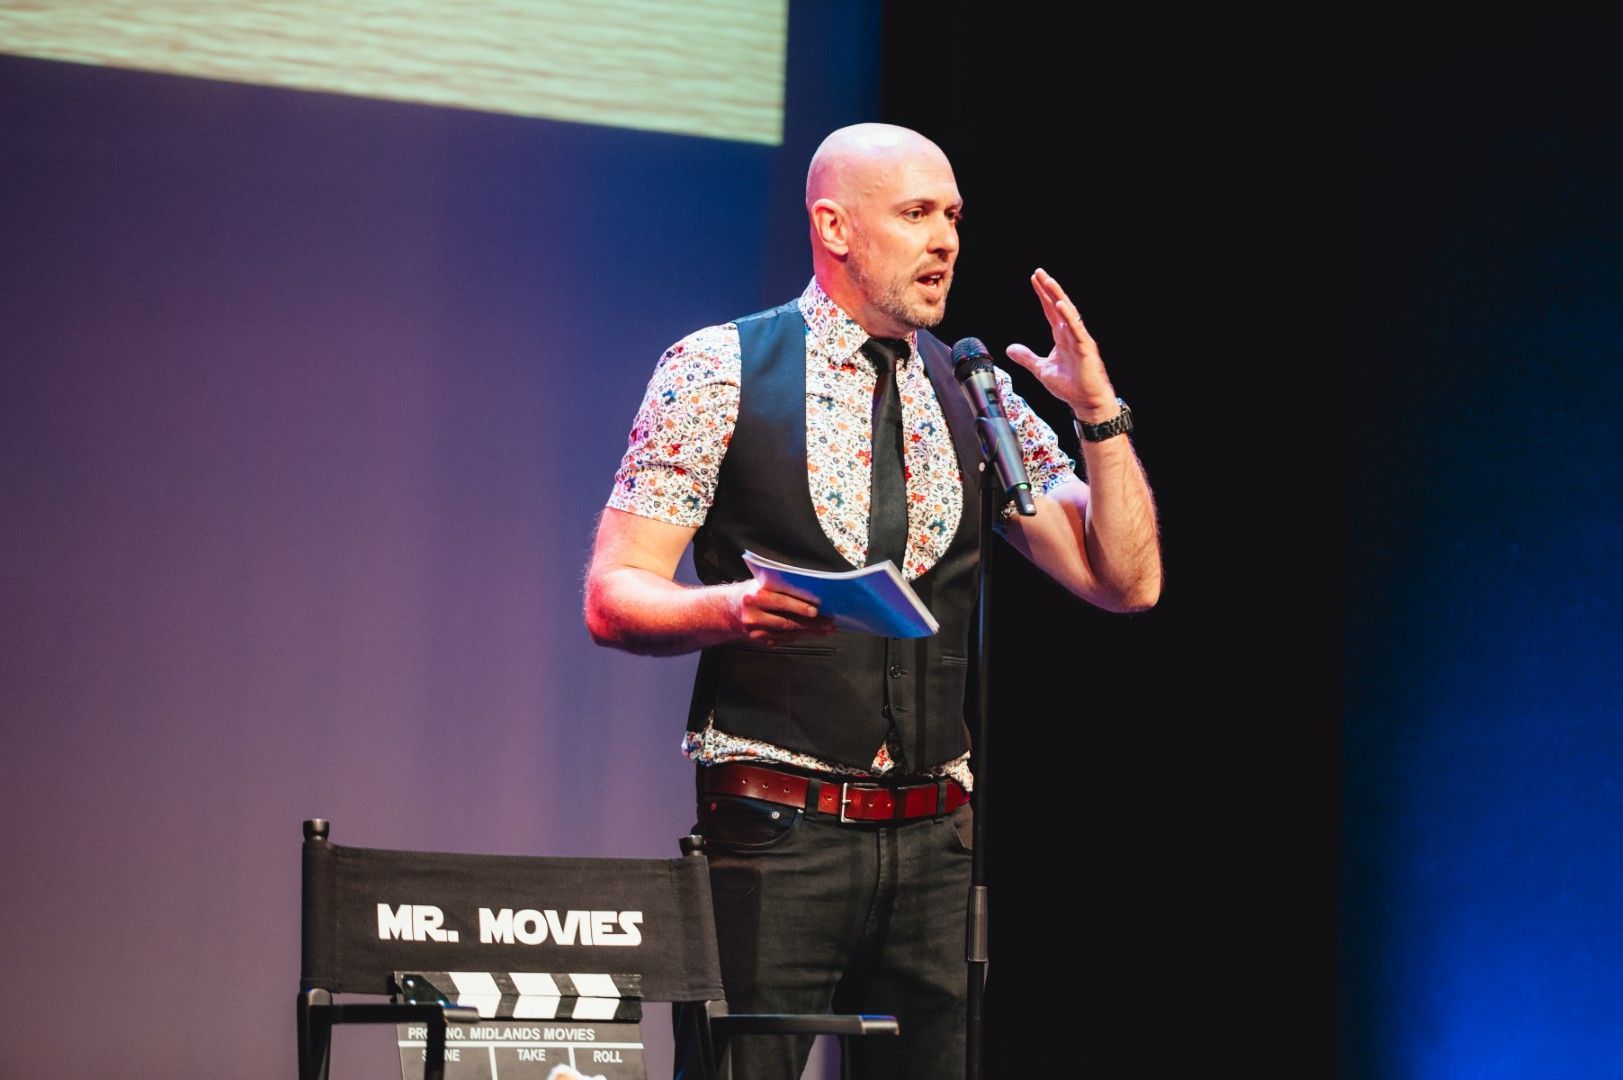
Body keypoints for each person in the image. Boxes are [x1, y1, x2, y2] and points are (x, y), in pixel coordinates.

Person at [583, 122, 1160, 1079]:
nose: (945, 241)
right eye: (916, 214)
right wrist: (729, 609)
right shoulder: (718, 368)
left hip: (936, 841)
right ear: (835, 227)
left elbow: (1125, 580)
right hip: (776, 831)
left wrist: (1097, 413)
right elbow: (614, 595)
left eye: (953, 217)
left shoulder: (973, 390)